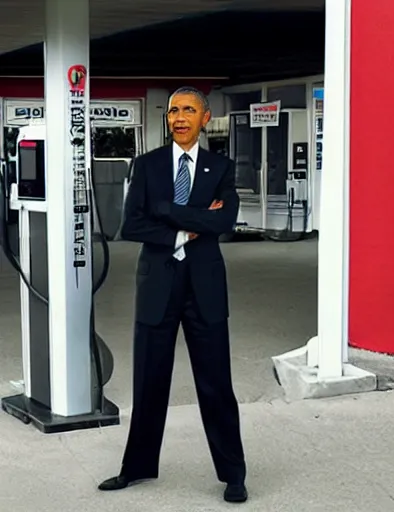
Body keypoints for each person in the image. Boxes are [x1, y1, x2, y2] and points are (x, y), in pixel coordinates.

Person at [98, 86, 248, 503]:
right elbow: (131, 226)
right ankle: (137, 468)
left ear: (205, 117)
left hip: (205, 289)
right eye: (173, 110)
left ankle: (234, 475)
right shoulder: (147, 166)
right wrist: (187, 224)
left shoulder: (220, 167)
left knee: (217, 384)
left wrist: (164, 209)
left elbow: (227, 222)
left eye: (189, 110)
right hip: (157, 288)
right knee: (149, 382)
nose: (179, 117)